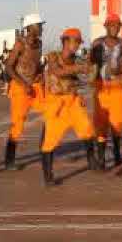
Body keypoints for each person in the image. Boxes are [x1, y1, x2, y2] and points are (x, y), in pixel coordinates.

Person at [41, 28, 97, 186]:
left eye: (79, 42)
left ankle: (91, 160)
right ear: (66, 41)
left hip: (73, 100)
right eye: (76, 41)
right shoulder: (53, 56)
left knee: (87, 129)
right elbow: (57, 72)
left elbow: (86, 78)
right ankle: (48, 175)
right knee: (50, 139)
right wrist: (79, 68)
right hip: (56, 102)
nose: (78, 45)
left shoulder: (78, 59)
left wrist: (90, 70)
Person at [90, 14, 122, 170]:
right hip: (100, 87)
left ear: (120, 27)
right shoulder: (97, 43)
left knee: (117, 122)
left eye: (117, 25)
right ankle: (101, 158)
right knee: (100, 124)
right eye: (111, 25)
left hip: (116, 87)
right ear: (106, 26)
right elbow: (90, 65)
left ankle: (116, 153)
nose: (114, 28)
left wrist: (120, 69)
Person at [4, 14, 45, 170]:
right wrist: (23, 83)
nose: (41, 28)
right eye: (38, 25)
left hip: (35, 86)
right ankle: (9, 161)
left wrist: (40, 73)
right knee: (18, 125)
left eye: (41, 25)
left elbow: (37, 63)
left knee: (52, 113)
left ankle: (45, 149)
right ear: (30, 28)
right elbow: (9, 66)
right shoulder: (20, 44)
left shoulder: (39, 43)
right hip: (20, 88)